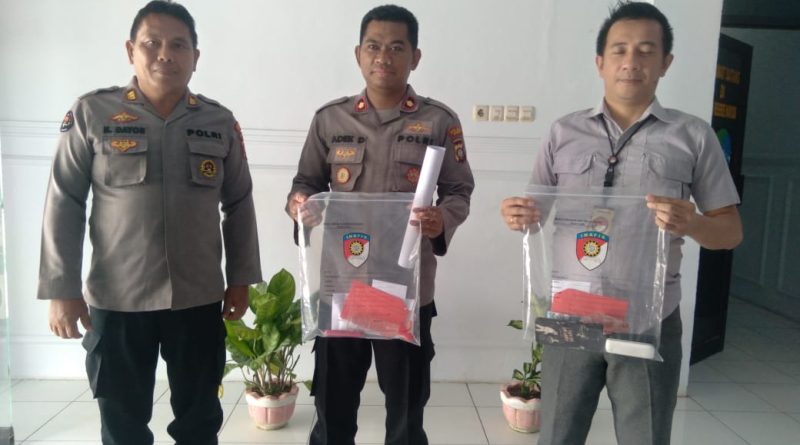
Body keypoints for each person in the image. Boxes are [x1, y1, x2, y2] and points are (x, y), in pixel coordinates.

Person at [500, 2, 742, 444]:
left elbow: (730, 231)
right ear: (600, 62)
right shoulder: (563, 132)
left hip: (649, 317)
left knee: (644, 436)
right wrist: (519, 214)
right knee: (557, 434)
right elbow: (535, 209)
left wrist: (692, 222)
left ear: (666, 63)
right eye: (620, 50)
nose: (632, 61)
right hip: (571, 314)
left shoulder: (692, 136)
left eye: (646, 51)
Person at [37, 1, 262, 444]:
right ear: (130, 51)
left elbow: (239, 203)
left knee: (199, 422)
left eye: (178, 45)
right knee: (122, 425)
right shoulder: (92, 113)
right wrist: (61, 290)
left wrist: (240, 280)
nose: (165, 54)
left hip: (197, 298)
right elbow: (64, 201)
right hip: (119, 299)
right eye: (152, 43)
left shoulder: (218, 121)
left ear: (195, 56)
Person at [286, 5, 474, 444]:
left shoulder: (439, 121)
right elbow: (305, 183)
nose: (383, 57)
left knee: (405, 410)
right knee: (333, 406)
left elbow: (459, 191)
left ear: (415, 57)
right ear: (358, 54)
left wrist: (440, 219)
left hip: (406, 289)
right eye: (373, 46)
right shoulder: (330, 119)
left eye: (396, 47)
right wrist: (301, 205)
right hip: (344, 287)